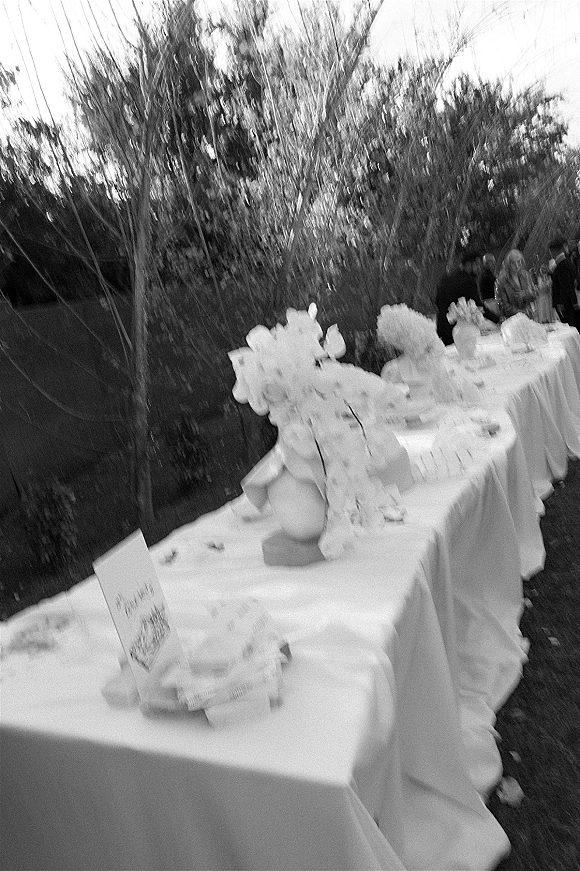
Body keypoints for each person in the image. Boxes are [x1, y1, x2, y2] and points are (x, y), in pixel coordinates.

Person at [435, 249, 482, 345]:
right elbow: (479, 306)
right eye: (477, 265)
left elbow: (437, 301)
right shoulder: (468, 281)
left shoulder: (446, 278)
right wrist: (497, 319)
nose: (479, 268)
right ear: (469, 265)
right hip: (459, 332)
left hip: (441, 327)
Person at [494, 249, 536, 320]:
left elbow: (534, 294)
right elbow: (502, 305)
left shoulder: (526, 275)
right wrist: (520, 312)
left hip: (529, 316)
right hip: (512, 320)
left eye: (519, 262)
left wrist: (526, 294)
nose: (516, 266)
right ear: (508, 264)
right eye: (513, 263)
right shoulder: (501, 281)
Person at [549, 237, 578, 329]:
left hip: (567, 306)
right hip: (569, 303)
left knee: (570, 327)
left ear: (553, 251)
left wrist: (561, 304)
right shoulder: (568, 263)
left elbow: (565, 286)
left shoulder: (562, 266)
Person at [478, 253, 501, 323]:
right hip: (490, 304)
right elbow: (498, 284)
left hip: (490, 303)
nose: (494, 264)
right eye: (492, 262)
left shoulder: (485, 274)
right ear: (487, 263)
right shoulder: (486, 276)